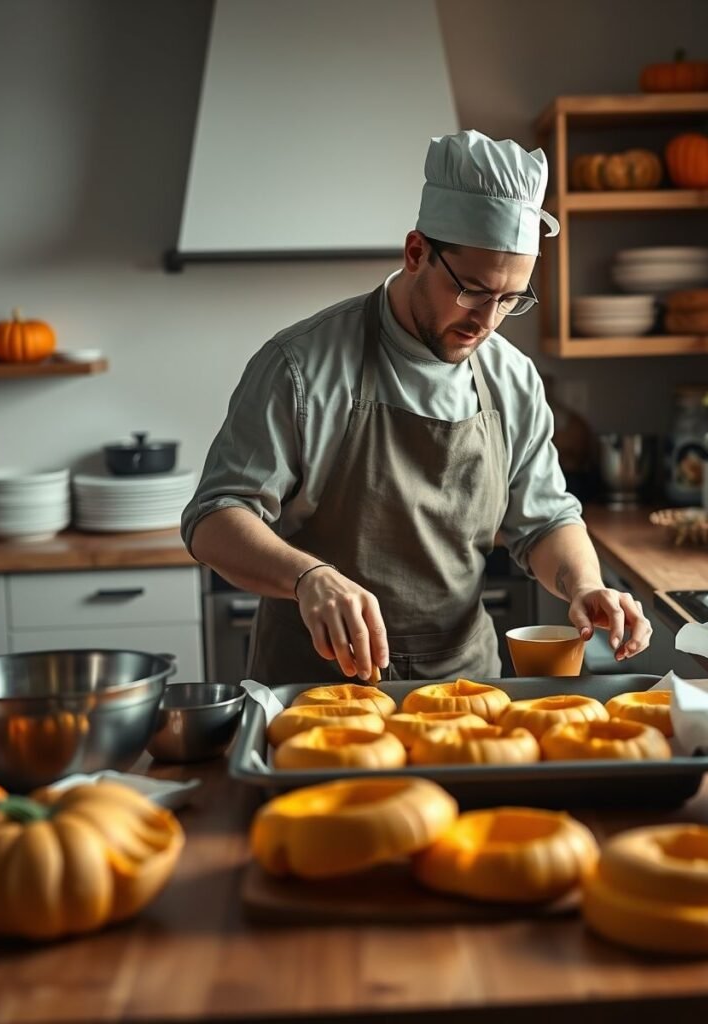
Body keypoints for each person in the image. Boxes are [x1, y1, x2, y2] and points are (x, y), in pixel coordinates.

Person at [182, 129, 652, 685]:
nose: (487, 321)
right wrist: (308, 576)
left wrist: (584, 585)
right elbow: (215, 517)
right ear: (416, 253)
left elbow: (546, 520)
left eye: (510, 300)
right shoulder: (301, 366)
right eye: (473, 291)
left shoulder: (512, 377)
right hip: (317, 692)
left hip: (466, 692)